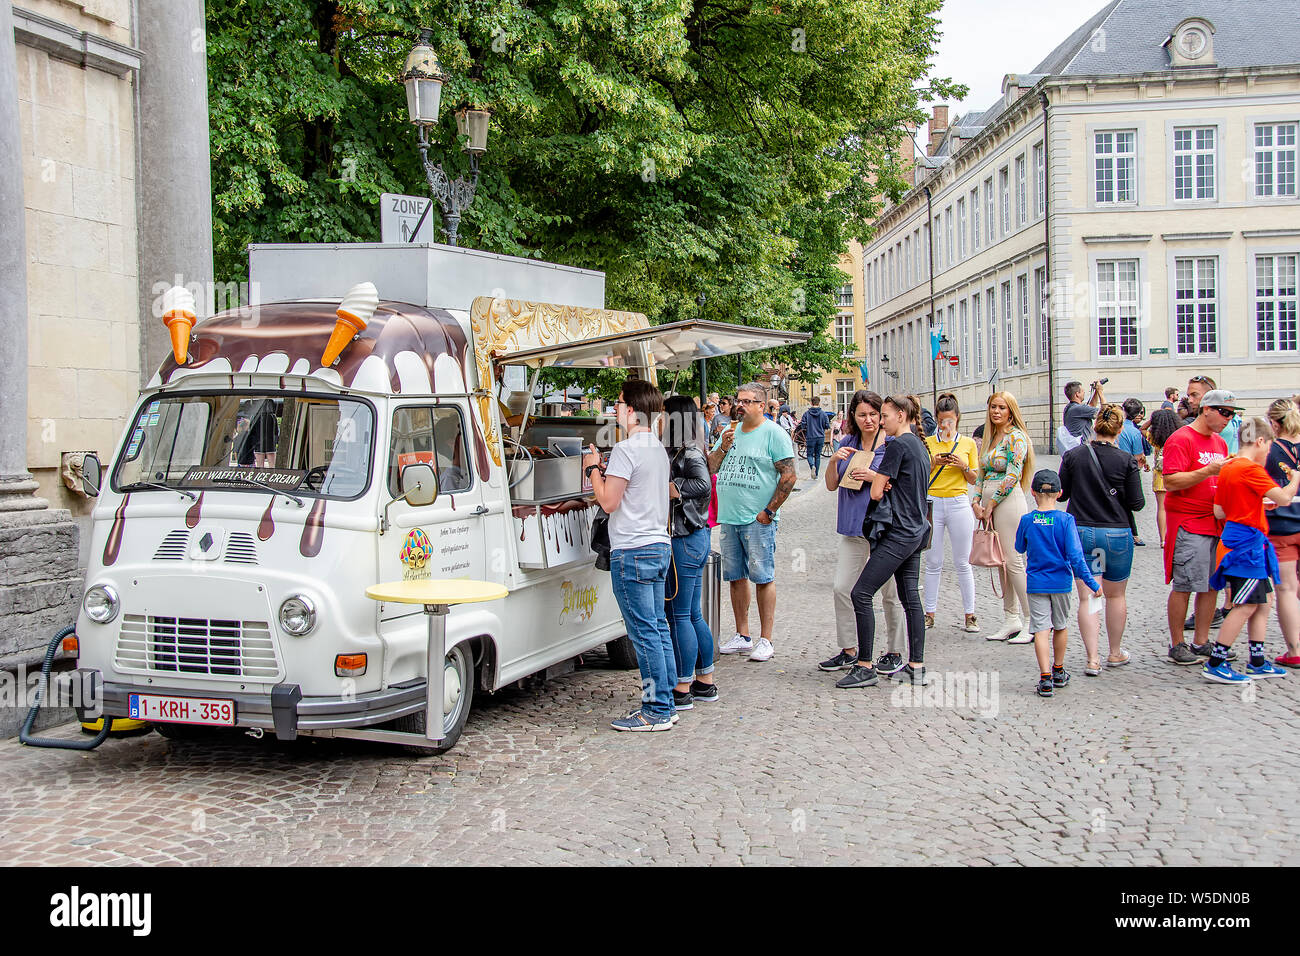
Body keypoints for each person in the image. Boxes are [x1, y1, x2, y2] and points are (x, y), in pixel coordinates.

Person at [584, 379, 676, 731]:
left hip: (633, 550)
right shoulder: (655, 446)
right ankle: (667, 702)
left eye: (619, 402)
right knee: (657, 628)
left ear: (633, 410)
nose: (615, 408)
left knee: (644, 633)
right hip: (656, 545)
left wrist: (593, 468)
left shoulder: (626, 449)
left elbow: (608, 501)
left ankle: (655, 709)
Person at [834, 395, 931, 688]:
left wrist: (879, 481)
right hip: (917, 530)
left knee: (861, 593)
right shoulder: (920, 446)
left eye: (885, 416)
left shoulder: (897, 445)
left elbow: (876, 492)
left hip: (897, 532)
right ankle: (916, 665)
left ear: (901, 415)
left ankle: (864, 665)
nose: (881, 422)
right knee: (910, 597)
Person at [1202, 416, 1300, 683]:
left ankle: (1257, 660)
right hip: (1246, 544)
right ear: (1260, 441)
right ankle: (1216, 661)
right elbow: (1285, 498)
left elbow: (1220, 510)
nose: (1268, 452)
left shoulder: (1229, 467)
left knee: (1262, 602)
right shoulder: (1250, 469)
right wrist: (1295, 479)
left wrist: (1254, 506)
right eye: (1268, 447)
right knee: (1244, 605)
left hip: (1239, 537)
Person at [817, 390, 908, 675]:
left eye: (873, 414)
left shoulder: (893, 444)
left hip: (885, 529)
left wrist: (873, 476)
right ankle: (848, 648)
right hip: (853, 526)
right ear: (853, 418)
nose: (868, 420)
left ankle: (894, 650)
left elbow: (903, 483)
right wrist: (833, 461)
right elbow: (832, 485)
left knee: (891, 593)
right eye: (862, 415)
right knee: (842, 588)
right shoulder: (848, 442)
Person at [711, 381, 797, 662]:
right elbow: (711, 466)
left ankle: (766, 639)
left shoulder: (774, 433)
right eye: (739, 400)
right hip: (730, 516)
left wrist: (768, 512)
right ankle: (742, 634)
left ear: (762, 405)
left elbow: (789, 476)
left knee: (762, 576)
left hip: (757, 519)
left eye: (748, 401)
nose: (741, 405)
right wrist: (723, 448)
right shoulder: (728, 431)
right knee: (735, 576)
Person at [1058, 404, 1145, 674]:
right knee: (1116, 595)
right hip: (1116, 532)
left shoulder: (1074, 456)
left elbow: (1062, 494)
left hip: (1082, 530)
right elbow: (1138, 503)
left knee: (1088, 598)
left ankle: (1092, 658)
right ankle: (1115, 652)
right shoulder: (1126, 460)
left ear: (1094, 426)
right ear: (1120, 429)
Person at [1162, 388, 1236, 665]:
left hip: (1215, 522)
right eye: (1224, 412)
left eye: (1232, 414)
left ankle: (1201, 641)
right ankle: (1177, 643)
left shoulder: (1219, 443)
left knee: (1211, 586)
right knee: (1185, 584)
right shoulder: (1181, 439)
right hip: (1189, 522)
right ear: (1207, 409)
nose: (1228, 418)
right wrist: (1207, 471)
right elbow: (1171, 482)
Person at [1015, 470, 1102, 698]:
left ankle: (1044, 678)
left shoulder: (1027, 520)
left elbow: (1019, 548)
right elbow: (1076, 556)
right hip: (1061, 582)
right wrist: (1092, 584)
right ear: (1060, 493)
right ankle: (1058, 670)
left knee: (1040, 629)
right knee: (1060, 625)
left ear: (1033, 492)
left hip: (1036, 582)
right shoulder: (1066, 520)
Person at [662, 396, 718, 710]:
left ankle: (682, 688)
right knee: (692, 614)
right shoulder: (690, 447)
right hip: (695, 538)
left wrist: (673, 487)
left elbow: (702, 484)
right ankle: (704, 682)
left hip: (684, 540)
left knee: (679, 615)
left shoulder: (689, 451)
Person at [975, 391, 1035, 643]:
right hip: (988, 501)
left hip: (1008, 502)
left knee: (1013, 560)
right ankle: (1011, 618)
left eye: (1001, 407)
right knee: (1000, 562)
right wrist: (976, 501)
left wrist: (991, 503)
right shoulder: (990, 437)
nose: (996, 411)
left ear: (1011, 411)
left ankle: (1033, 619)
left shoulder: (1016, 437)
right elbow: (981, 473)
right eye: (993, 407)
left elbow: (1013, 474)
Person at [923, 393, 981, 633]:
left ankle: (970, 614)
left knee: (963, 561)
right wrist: (934, 462)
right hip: (933, 501)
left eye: (950, 421)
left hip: (958, 500)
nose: (946, 425)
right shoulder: (927, 442)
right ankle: (929, 613)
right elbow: (921, 473)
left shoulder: (967, 444)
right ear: (937, 420)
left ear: (957, 419)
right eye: (942, 421)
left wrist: (963, 465)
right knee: (933, 561)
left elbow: (974, 477)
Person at [1265, 398, 1300, 668]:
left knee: (1286, 589)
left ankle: (1295, 650)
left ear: (1275, 424)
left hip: (1281, 525)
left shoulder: (1269, 451)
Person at [1147, 408, 1182, 548]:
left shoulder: (1154, 436)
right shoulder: (1178, 435)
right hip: (1173, 472)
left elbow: (1143, 429)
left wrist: (1153, 420)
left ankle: (1163, 539)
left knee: (1161, 507)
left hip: (1159, 474)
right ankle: (1174, 535)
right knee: (1175, 506)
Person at [798, 396, 833, 479]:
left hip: (810, 436)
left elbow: (803, 425)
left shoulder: (806, 414)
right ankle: (816, 474)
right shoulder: (823, 414)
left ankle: (812, 466)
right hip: (820, 437)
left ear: (811, 403)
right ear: (819, 403)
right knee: (817, 456)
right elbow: (827, 425)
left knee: (809, 455)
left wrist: (808, 428)